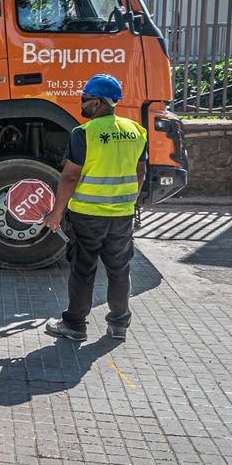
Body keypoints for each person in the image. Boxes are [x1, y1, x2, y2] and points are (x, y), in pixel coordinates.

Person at [43, 74, 147, 341]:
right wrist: (128, 201)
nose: (81, 103)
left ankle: (75, 325)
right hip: (121, 215)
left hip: (88, 216)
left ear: (99, 103)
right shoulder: (135, 131)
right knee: (119, 268)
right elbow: (140, 170)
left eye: (85, 99)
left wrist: (56, 213)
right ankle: (119, 325)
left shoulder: (84, 133)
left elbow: (69, 176)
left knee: (83, 269)